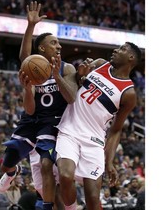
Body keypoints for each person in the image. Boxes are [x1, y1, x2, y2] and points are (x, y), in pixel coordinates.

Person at [0, 1, 87, 210]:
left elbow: (72, 97)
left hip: (53, 123)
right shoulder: (33, 68)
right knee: (6, 163)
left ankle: (47, 206)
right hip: (31, 120)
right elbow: (29, 107)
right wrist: (30, 26)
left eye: (59, 43)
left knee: (46, 164)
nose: (59, 46)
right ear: (42, 48)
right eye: (54, 43)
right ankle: (12, 172)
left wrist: (56, 76)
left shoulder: (67, 68)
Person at [55, 42, 142, 210]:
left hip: (94, 141)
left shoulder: (128, 93)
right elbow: (73, 85)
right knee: (65, 176)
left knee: (94, 199)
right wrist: (80, 76)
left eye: (122, 49)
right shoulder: (99, 64)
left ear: (131, 58)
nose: (116, 50)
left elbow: (116, 130)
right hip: (69, 131)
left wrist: (109, 162)